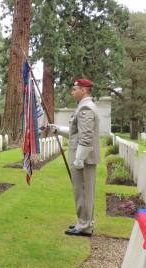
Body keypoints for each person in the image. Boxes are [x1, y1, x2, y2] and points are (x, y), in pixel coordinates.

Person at [49, 79, 100, 237]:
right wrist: (58, 130)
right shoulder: (83, 107)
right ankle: (84, 221)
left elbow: (86, 136)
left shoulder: (86, 108)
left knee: (82, 192)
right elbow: (76, 132)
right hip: (82, 157)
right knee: (83, 191)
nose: (72, 92)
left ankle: (84, 226)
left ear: (83, 90)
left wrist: (79, 159)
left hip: (83, 159)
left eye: (74, 89)